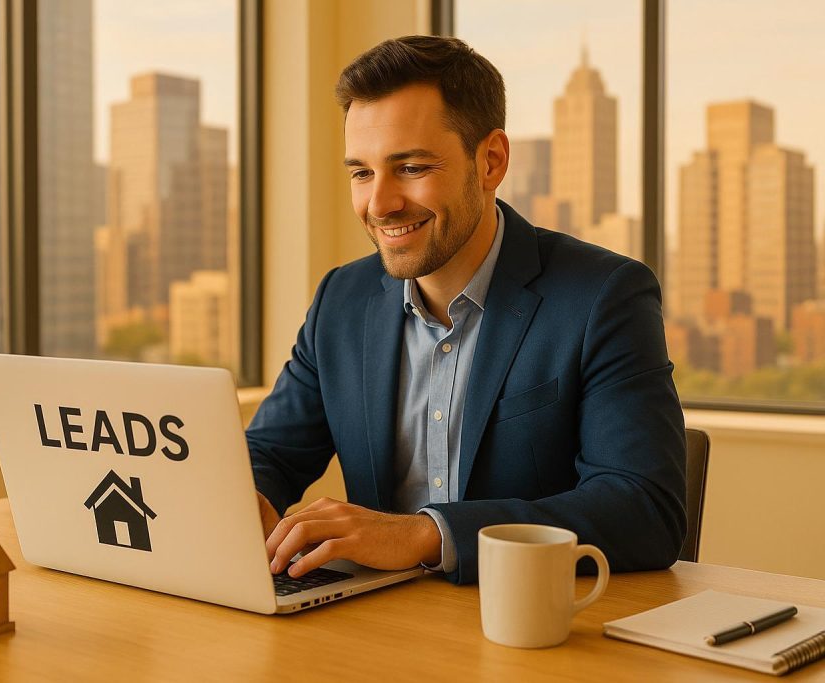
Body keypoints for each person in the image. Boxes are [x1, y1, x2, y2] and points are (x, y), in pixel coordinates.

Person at [247, 35, 686, 585]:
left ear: (491, 161)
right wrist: (246, 498)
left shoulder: (604, 295)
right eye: (361, 173)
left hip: (531, 623)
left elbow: (645, 508)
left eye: (411, 167)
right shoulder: (342, 299)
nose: (379, 204)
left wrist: (424, 535)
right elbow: (270, 452)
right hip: (374, 621)